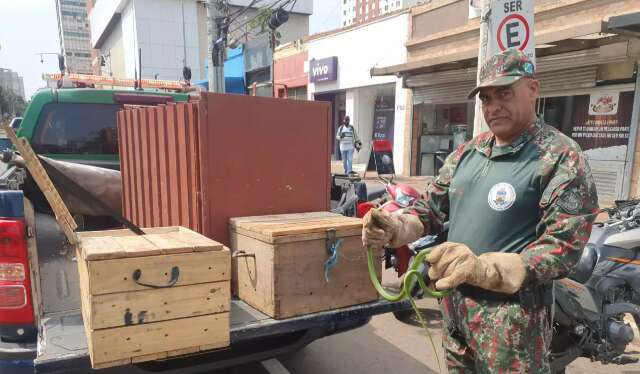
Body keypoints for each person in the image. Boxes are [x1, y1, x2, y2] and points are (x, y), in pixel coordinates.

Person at [362, 49, 599, 373]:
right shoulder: (467, 153)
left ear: (532, 89)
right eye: (486, 98)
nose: (493, 106)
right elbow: (430, 208)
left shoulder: (560, 157)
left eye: (504, 93)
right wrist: (397, 227)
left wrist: (485, 268)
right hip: (457, 314)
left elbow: (563, 248)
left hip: (513, 328)